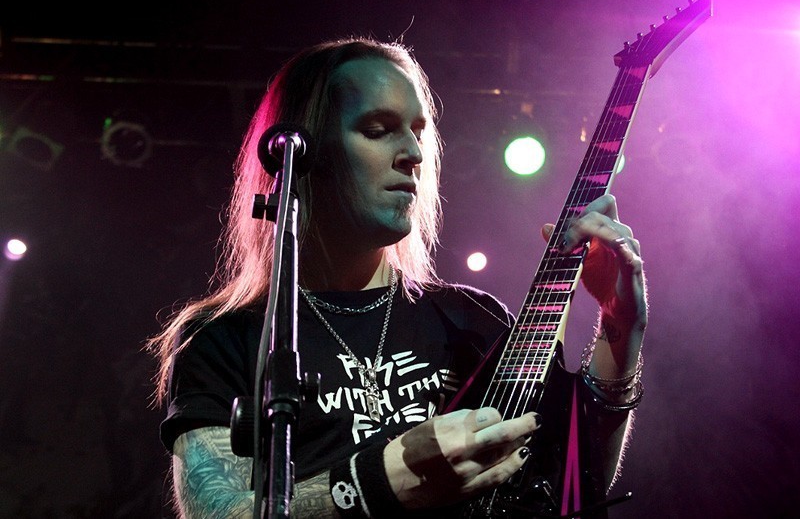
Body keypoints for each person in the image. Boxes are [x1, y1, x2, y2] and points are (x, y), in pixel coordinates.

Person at [147, 36, 647, 518]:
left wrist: (620, 328)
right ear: (308, 154)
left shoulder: (471, 321)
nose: (414, 153)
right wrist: (381, 481)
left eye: (417, 131)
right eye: (378, 129)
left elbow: (574, 484)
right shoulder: (223, 339)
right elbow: (217, 510)